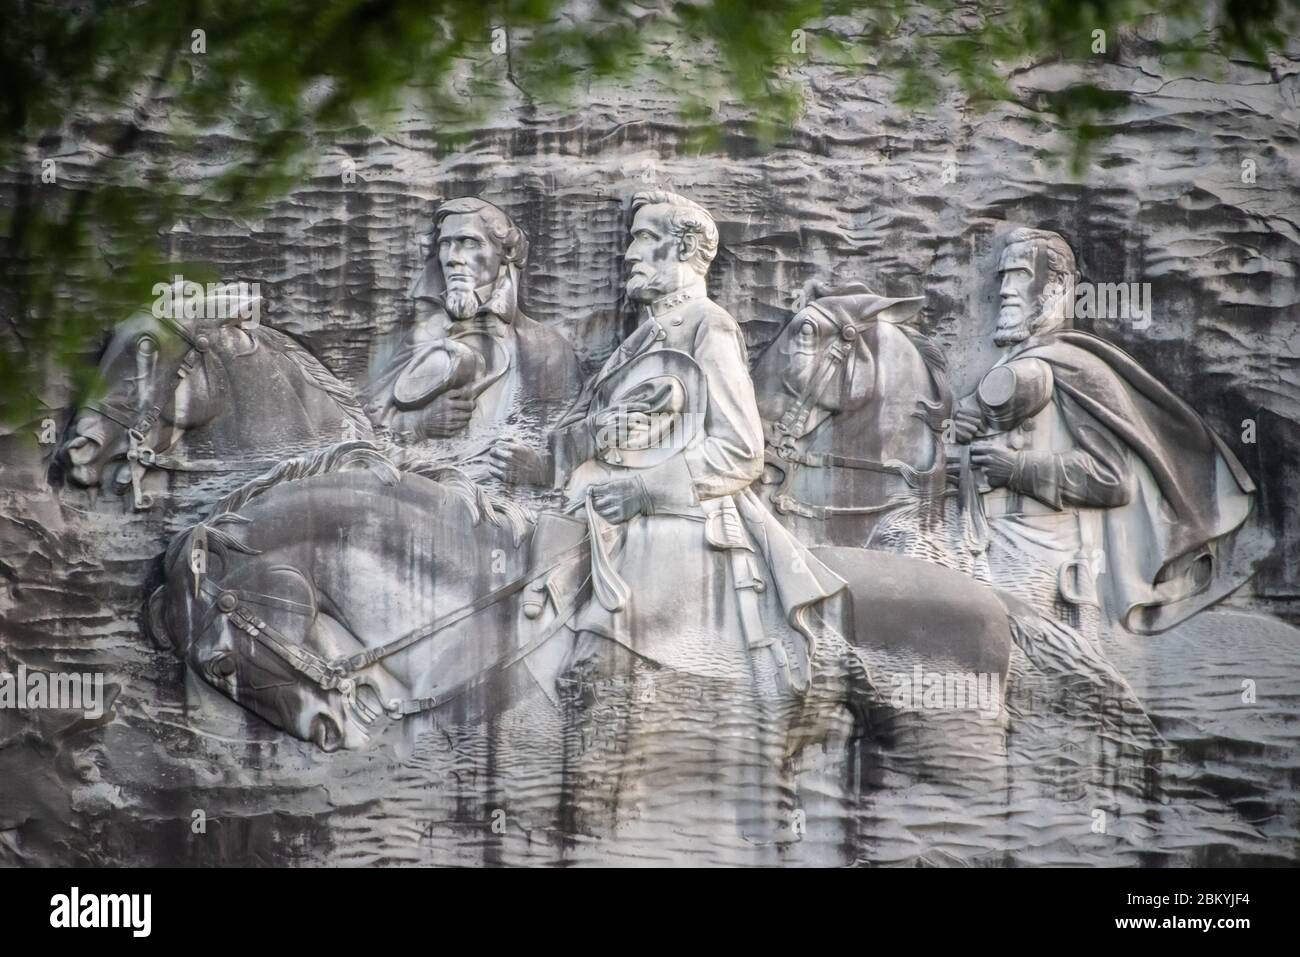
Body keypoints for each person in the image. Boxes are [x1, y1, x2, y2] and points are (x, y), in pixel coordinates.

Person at [948, 227, 1263, 638]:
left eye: (1020, 275)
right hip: (980, 551)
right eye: (1003, 276)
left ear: (1057, 286)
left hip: (1043, 569)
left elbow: (1113, 482)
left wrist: (1017, 469)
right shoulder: (1007, 369)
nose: (1006, 289)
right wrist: (958, 432)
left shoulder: (1078, 368)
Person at [365, 197, 582, 496]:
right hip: (420, 498)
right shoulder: (422, 337)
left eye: (468, 242)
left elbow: (581, 443)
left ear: (505, 252)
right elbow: (364, 428)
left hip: (506, 510)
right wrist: (418, 423)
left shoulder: (547, 348)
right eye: (445, 244)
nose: (452, 257)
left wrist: (542, 469)